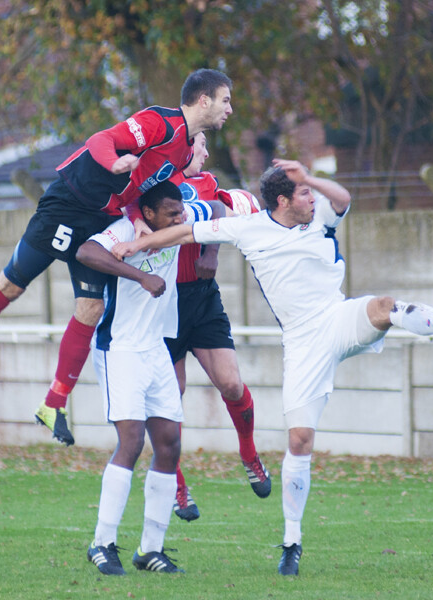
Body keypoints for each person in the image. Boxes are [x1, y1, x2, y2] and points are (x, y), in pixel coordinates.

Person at [111, 158, 433, 576]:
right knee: (299, 440)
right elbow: (188, 231)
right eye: (303, 192)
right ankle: (291, 541)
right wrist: (138, 244)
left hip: (337, 318)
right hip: (301, 343)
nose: (312, 197)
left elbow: (344, 198)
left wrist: (310, 177)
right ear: (282, 201)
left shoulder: (319, 215)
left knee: (382, 307)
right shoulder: (249, 228)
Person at [0, 69, 234, 447]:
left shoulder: (185, 151)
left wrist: (138, 220)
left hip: (101, 217)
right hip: (69, 204)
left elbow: (141, 191)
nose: (229, 109)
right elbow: (101, 140)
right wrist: (114, 164)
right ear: (203, 100)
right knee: (11, 284)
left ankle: (53, 404)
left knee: (90, 307)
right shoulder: (161, 122)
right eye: (225, 100)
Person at [75, 179, 225, 575]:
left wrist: (210, 250)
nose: (180, 219)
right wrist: (139, 276)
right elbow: (86, 251)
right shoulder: (126, 230)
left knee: (170, 444)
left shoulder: (180, 218)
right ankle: (102, 543)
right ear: (148, 215)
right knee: (131, 441)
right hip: (120, 349)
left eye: (181, 212)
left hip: (156, 348)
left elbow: (220, 212)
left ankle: (150, 550)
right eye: (172, 214)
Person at [166, 133, 269, 522]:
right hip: (162, 305)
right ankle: (175, 483)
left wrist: (211, 250)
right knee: (169, 399)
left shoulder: (206, 184)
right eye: (201, 147)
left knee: (231, 383)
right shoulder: (155, 184)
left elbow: (224, 212)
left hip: (202, 298)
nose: (207, 154)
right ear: (182, 147)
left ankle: (249, 453)